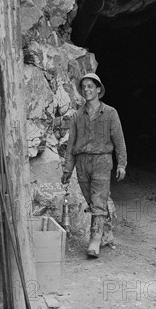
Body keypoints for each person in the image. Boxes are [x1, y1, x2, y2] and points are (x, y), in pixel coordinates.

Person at [61, 73, 127, 258]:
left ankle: (94, 241)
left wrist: (122, 164)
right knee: (92, 200)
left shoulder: (110, 113)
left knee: (98, 202)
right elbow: (71, 145)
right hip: (82, 162)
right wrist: (68, 169)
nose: (87, 90)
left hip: (102, 161)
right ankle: (106, 233)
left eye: (91, 86)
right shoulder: (76, 116)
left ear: (98, 89)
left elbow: (119, 140)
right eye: (84, 87)